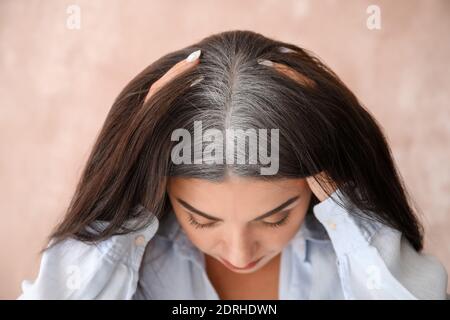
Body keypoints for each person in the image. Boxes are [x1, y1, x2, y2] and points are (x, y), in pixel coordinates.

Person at [18, 30, 448, 299]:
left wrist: (334, 160)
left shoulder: (347, 261)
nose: (240, 253)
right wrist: (131, 159)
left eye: (277, 217)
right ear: (162, 188)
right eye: (201, 220)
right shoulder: (138, 268)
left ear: (318, 189)